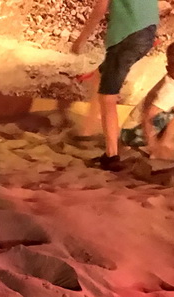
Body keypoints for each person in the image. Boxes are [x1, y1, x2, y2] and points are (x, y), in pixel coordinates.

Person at [71, 0, 158, 171]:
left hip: (127, 37)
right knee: (100, 75)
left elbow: (101, 7)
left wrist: (80, 40)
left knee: (108, 97)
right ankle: (87, 130)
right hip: (147, 33)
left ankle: (111, 156)